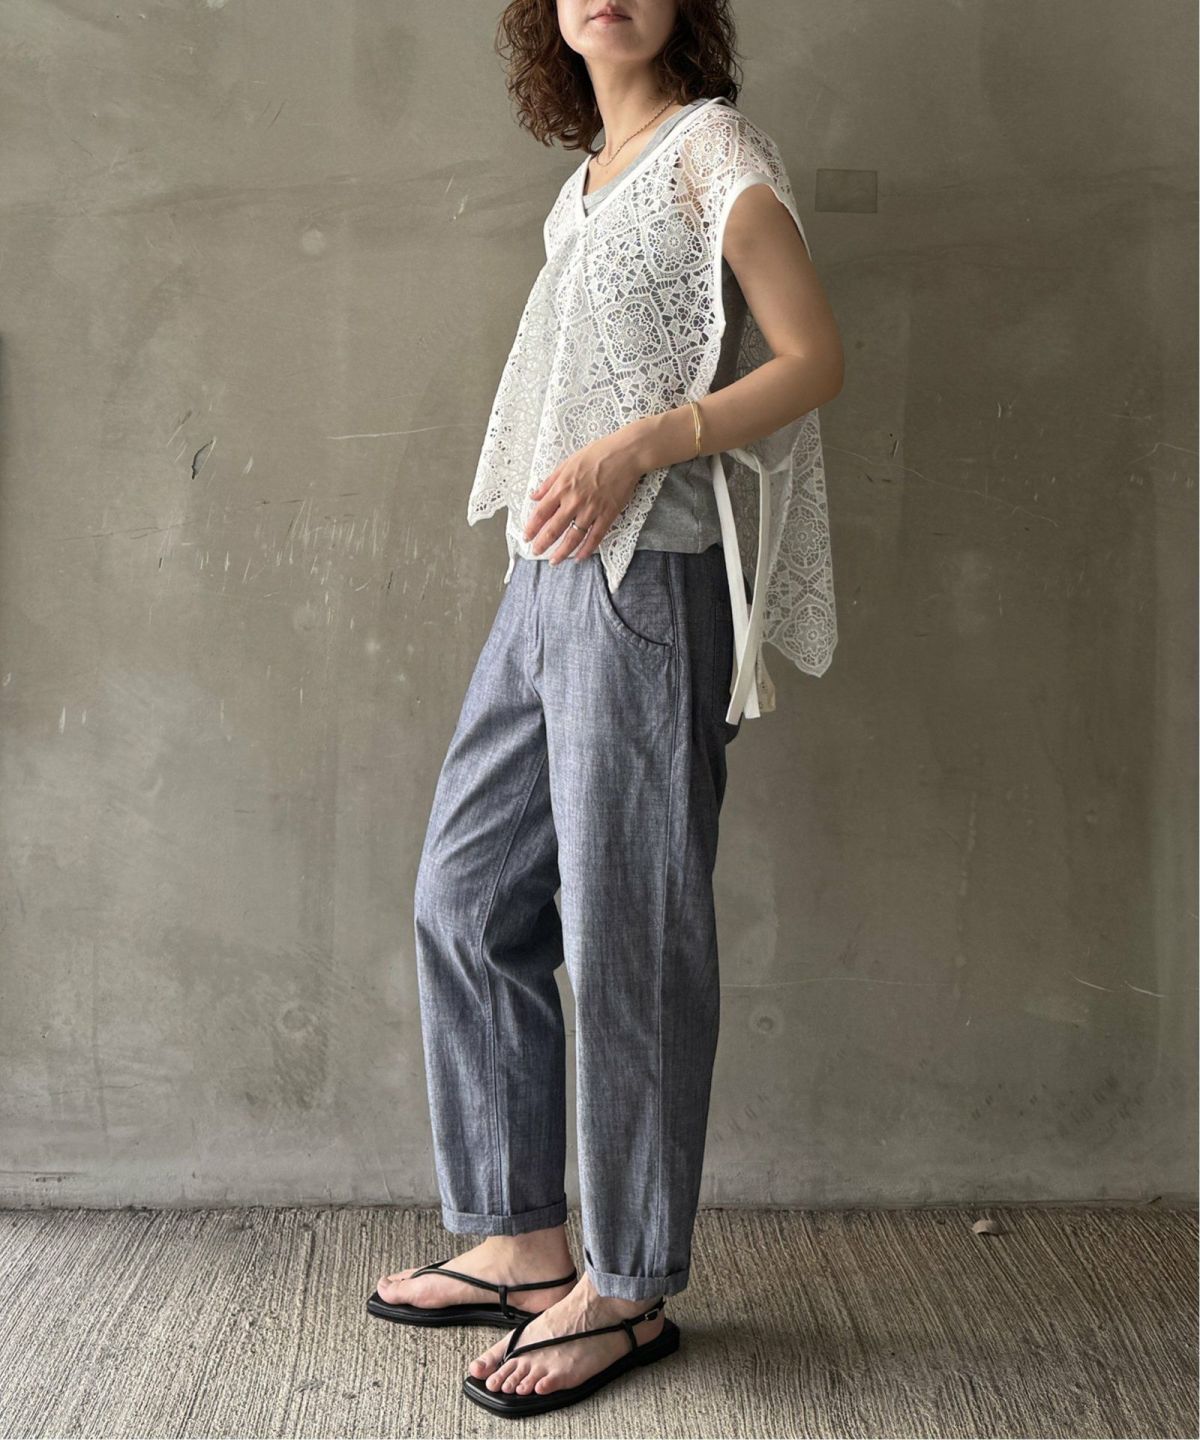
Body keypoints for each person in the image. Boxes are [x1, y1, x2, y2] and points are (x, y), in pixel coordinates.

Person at [366, 0, 844, 1418]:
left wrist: (645, 443)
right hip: (546, 582)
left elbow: (814, 357)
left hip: (650, 584)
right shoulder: (584, 186)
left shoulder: (712, 150)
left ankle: (628, 1285)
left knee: (631, 933)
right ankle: (523, 1240)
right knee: (467, 894)